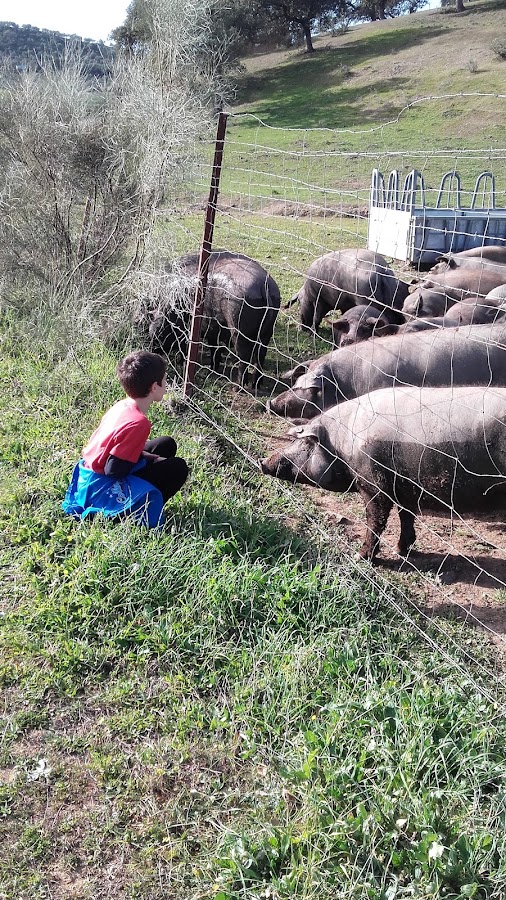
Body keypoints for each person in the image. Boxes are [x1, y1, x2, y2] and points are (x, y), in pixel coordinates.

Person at [62, 351, 188, 527]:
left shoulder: (123, 405)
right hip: (100, 486)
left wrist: (147, 456)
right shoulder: (139, 423)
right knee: (178, 468)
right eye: (165, 380)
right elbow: (113, 469)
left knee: (166, 444)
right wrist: (146, 462)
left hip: (90, 472)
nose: (166, 384)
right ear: (154, 387)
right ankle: (136, 512)